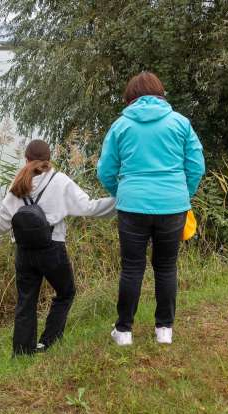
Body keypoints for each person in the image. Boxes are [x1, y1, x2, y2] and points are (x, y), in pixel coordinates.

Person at [97, 71, 205, 346]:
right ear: (161, 94)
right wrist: (183, 194)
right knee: (166, 268)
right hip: (173, 206)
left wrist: (121, 193)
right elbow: (196, 166)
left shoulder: (120, 126)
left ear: (130, 98)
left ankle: (123, 332)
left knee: (132, 268)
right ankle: (164, 330)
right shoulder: (180, 123)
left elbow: (105, 170)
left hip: (132, 206)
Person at [0, 139, 115, 356]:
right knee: (66, 293)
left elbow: (3, 218)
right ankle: (49, 343)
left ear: (26, 159)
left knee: (26, 301)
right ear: (48, 159)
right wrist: (118, 202)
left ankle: (22, 352)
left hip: (24, 252)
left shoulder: (17, 183)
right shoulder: (61, 181)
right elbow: (88, 207)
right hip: (52, 249)